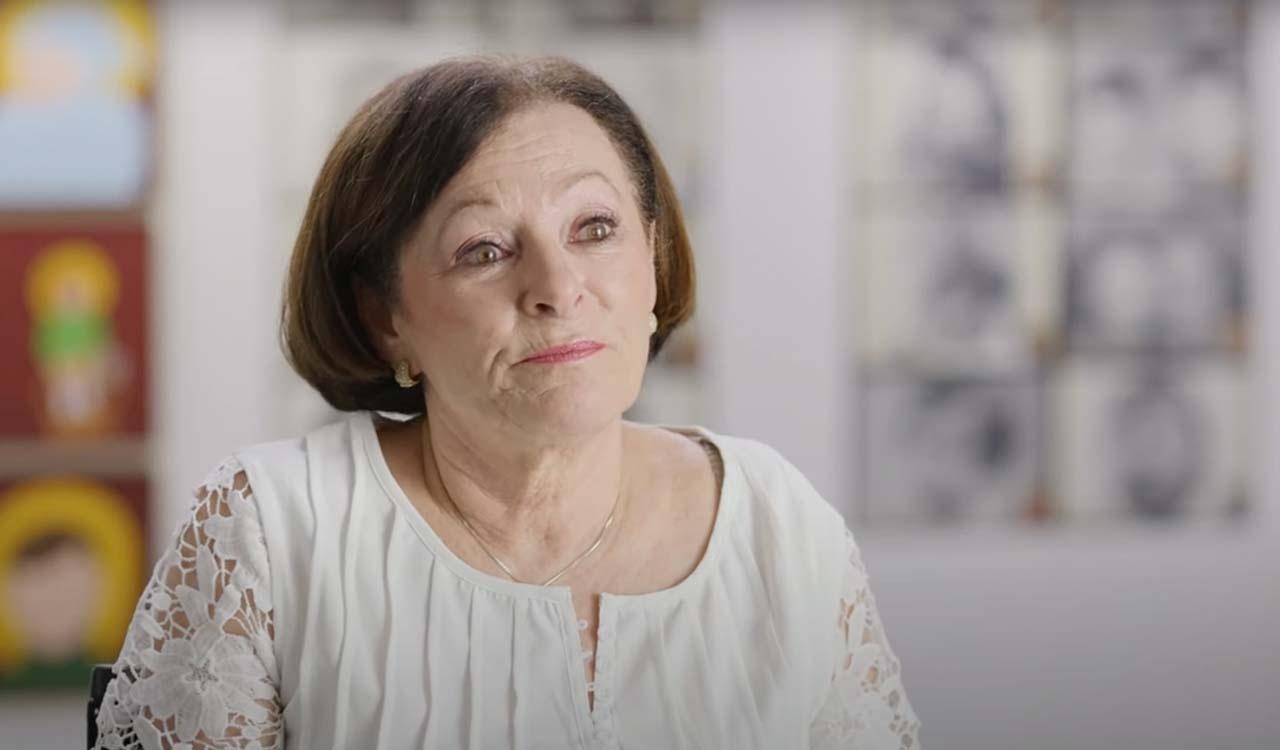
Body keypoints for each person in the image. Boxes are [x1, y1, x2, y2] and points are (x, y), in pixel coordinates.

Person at [93, 56, 920, 749]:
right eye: (484, 249)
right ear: (386, 318)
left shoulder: (781, 526)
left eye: (595, 228)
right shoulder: (270, 532)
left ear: (656, 264)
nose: (558, 288)